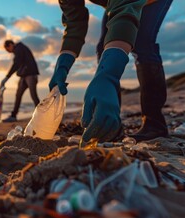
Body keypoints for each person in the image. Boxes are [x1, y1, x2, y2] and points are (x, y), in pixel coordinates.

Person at [48, 0, 172, 144]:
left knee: (142, 44)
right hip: (117, 3)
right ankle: (111, 123)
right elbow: (74, 23)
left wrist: (108, 75)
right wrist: (63, 64)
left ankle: (155, 124)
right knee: (103, 47)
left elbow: (125, 15)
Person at [0, 40, 40, 122]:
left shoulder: (19, 48)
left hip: (31, 74)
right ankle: (13, 115)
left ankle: (42, 115)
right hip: (23, 75)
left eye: (8, 49)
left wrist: (6, 77)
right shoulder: (18, 50)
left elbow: (16, 64)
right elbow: (19, 63)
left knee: (34, 95)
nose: (9, 52)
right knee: (18, 95)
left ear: (10, 45)